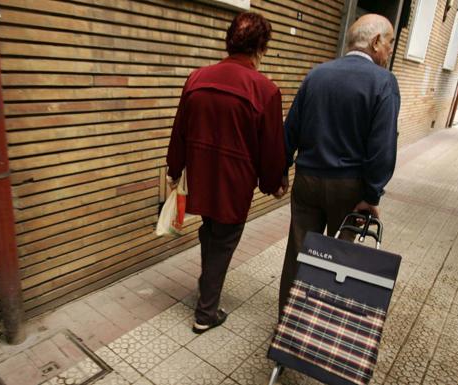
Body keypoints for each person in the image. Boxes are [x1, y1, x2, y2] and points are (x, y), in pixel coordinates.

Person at [166, 12, 287, 334]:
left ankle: (207, 285)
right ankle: (206, 313)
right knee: (223, 240)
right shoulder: (265, 90)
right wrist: (273, 182)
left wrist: (174, 168)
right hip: (234, 186)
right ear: (261, 46)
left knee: (211, 233)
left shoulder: (196, 79)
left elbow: (179, 130)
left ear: (229, 40)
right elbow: (272, 145)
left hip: (202, 180)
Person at [278, 13, 400, 316]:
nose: (390, 51)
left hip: (307, 180)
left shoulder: (316, 75)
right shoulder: (383, 82)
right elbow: (382, 147)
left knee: (298, 252)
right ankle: (324, 326)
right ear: (375, 42)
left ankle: (288, 323)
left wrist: (281, 169)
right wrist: (372, 195)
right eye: (390, 43)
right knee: (341, 258)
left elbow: (290, 129)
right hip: (350, 187)